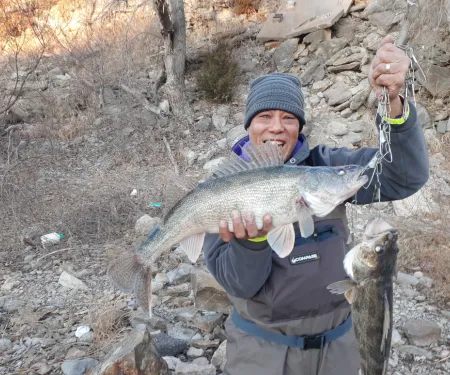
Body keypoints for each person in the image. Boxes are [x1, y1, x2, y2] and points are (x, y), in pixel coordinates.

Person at [202, 35, 429, 375]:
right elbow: (240, 286)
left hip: (339, 350)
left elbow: (403, 176)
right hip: (262, 355)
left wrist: (393, 105)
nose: (277, 127)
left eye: (289, 118)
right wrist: (252, 241)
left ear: (300, 127)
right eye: (265, 116)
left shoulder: (326, 169)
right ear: (249, 125)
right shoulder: (221, 191)